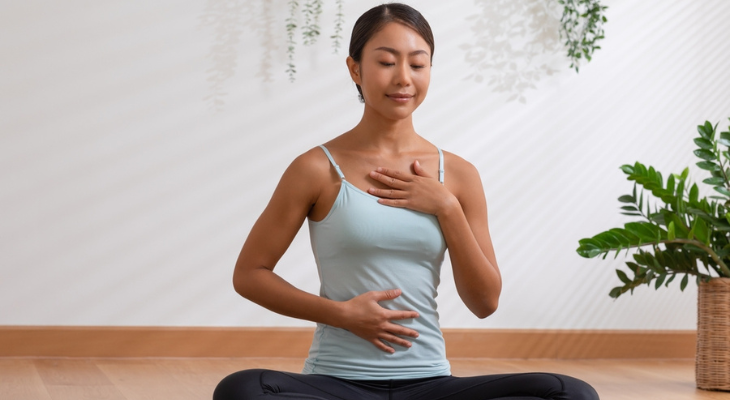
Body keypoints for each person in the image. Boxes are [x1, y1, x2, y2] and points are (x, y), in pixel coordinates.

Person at [214, 3, 599, 399]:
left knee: (569, 393)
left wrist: (446, 207)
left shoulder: (459, 175)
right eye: (386, 62)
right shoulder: (316, 168)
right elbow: (250, 274)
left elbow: (485, 303)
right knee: (242, 390)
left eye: (418, 64)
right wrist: (343, 315)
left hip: (429, 385)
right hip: (337, 384)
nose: (403, 79)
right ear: (355, 70)